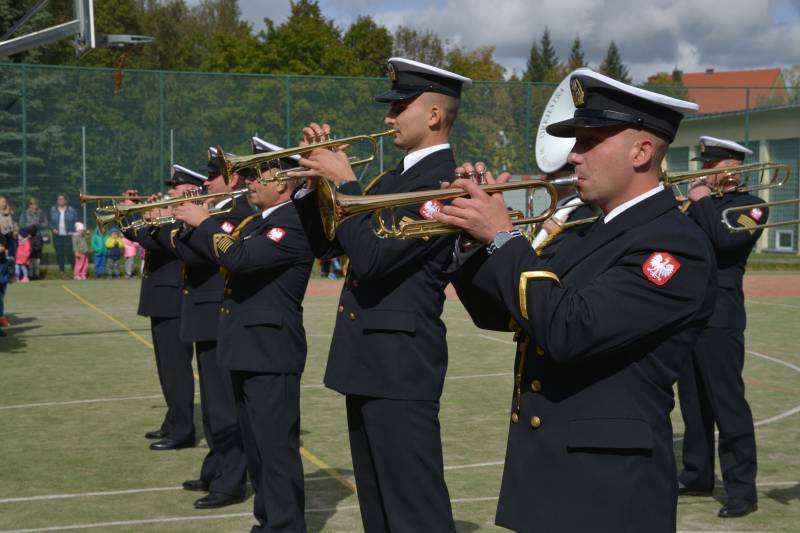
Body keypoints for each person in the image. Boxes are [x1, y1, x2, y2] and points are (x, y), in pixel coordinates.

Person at [436, 68, 716, 533]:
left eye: (589, 141)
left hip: (608, 491)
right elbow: (502, 312)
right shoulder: (584, 231)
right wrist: (472, 238)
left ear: (642, 152)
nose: (572, 155)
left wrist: (504, 237)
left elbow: (571, 329)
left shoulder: (673, 245)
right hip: (550, 472)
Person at [290, 57, 471, 532]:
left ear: (434, 115)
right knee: (379, 512)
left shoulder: (442, 186)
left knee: (415, 514)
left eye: (399, 107)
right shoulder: (391, 181)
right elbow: (328, 245)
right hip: (369, 361)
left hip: (401, 367)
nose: (388, 118)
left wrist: (344, 182)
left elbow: (373, 258)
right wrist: (313, 185)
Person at [174, 139, 313, 531]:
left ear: (282, 183)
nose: (248, 182)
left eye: (256, 175)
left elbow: (240, 259)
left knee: (276, 450)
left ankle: (286, 526)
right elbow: (212, 252)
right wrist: (192, 223)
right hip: (247, 348)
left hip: (271, 351)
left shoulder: (291, 223)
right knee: (257, 450)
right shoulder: (257, 223)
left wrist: (205, 222)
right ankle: (268, 521)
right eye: (248, 175)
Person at [150, 159, 252, 510]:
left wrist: (172, 224)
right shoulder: (218, 210)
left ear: (233, 179)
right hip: (203, 318)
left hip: (217, 318)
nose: (207, 183)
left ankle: (231, 481)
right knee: (212, 407)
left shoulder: (237, 213)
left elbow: (195, 256)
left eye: (213, 176)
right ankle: (216, 469)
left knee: (223, 407)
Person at [676, 136, 766, 518]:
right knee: (693, 403)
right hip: (688, 314)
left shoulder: (753, 207)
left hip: (721, 316)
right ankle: (697, 474)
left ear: (730, 167)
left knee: (727, 404)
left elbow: (725, 241)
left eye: (709, 166)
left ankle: (742, 490)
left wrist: (699, 202)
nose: (703, 173)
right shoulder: (699, 205)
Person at [121, 170, 196, 452]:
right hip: (161, 299)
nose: (171, 191)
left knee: (176, 369)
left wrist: (139, 216)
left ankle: (183, 429)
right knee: (167, 368)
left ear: (191, 188)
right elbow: (136, 235)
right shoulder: (172, 214)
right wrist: (131, 214)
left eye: (176, 186)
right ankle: (173, 420)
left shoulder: (186, 216)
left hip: (174, 299)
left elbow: (150, 240)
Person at [49, 193, 77, 272]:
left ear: (66, 200)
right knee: (59, 253)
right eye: (59, 199)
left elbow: (75, 221)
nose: (60, 200)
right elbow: (49, 222)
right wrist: (53, 229)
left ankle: (74, 268)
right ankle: (61, 269)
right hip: (57, 235)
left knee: (69, 252)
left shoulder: (72, 210)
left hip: (68, 234)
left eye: (62, 199)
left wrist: (74, 231)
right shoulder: (53, 210)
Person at [0, 235, 13, 335]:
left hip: (1, 286)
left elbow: (10, 274)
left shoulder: (8, 260)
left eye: (3, 246)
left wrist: (4, 279)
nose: (1, 247)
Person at [0, 196, 17, 264]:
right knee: (2, 255)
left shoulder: (9, 212)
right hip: (1, 236)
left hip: (10, 236)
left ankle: (10, 267)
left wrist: (15, 231)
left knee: (11, 255)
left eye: (5, 202)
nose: (4, 204)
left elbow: (13, 223)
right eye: (2, 202)